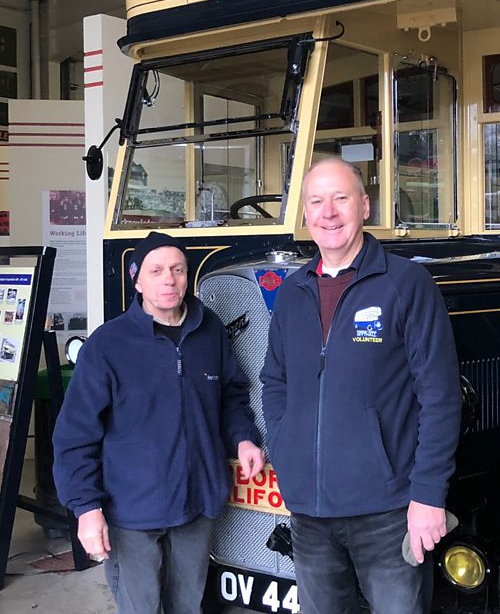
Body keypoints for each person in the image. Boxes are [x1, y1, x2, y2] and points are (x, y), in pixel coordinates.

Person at [260, 158, 461, 614]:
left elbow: (440, 395)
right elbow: (275, 379)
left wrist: (428, 496)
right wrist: (287, 444)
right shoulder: (292, 293)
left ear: (364, 206)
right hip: (310, 514)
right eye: (316, 201)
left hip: (387, 513)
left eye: (341, 198)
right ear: (306, 215)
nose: (328, 212)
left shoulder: (407, 284)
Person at [53, 232, 264, 614]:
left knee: (188, 606)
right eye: (156, 270)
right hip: (132, 511)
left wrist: (243, 440)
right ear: (138, 280)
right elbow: (74, 435)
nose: (169, 279)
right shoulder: (108, 345)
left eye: (177, 270)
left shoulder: (209, 331)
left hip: (196, 504)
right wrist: (86, 508)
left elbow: (231, 395)